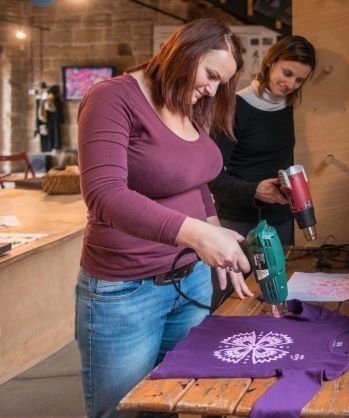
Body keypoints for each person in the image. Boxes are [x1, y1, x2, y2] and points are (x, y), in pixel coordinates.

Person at [75, 19, 254, 418]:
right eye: (210, 75)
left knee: (170, 405)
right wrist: (197, 235)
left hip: (189, 281)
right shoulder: (111, 99)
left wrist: (215, 229)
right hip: (126, 291)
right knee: (120, 412)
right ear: (184, 52)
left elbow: (198, 181)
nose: (212, 89)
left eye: (221, 83)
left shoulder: (185, 103)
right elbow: (104, 195)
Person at [209, 35, 317, 247]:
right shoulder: (235, 107)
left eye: (299, 80)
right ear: (270, 62)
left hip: (282, 222)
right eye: (287, 73)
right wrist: (255, 190)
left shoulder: (294, 109)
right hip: (238, 223)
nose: (291, 84)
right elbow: (212, 178)